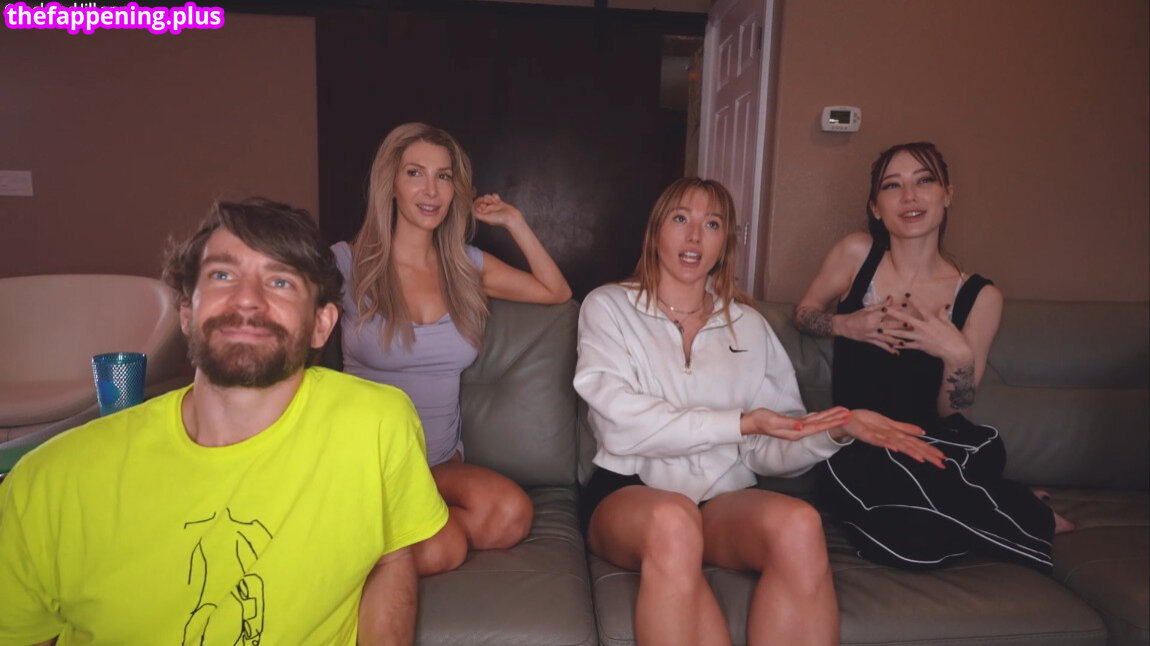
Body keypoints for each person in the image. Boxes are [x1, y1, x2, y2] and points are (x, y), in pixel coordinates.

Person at [0, 199, 448, 645]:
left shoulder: (377, 425)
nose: (247, 298)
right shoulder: (48, 484)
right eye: (222, 275)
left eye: (280, 281)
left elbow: (392, 558)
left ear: (321, 324)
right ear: (187, 312)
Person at [574, 177, 944, 646]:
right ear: (656, 231)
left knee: (799, 524)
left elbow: (767, 450)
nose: (695, 236)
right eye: (681, 219)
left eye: (712, 224)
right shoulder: (608, 306)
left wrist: (837, 429)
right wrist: (739, 422)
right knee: (673, 521)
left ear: (724, 243)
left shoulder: (748, 325)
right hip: (631, 494)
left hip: (721, 501)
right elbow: (620, 425)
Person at [794, 141, 1072, 572]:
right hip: (863, 445)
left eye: (924, 181)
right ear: (876, 207)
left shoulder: (979, 296)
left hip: (935, 444)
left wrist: (956, 354)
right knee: (913, 545)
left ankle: (979, 496)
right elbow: (804, 313)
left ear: (947, 194)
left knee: (931, 491)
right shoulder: (856, 255)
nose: (910, 196)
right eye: (892, 186)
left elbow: (952, 409)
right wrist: (845, 325)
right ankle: (1010, 506)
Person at [334, 122, 572, 576]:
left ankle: (369, 553)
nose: (431, 190)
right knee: (444, 548)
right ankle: (399, 545)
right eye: (415, 173)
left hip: (438, 465)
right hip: (368, 463)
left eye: (443, 176)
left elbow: (555, 292)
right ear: (390, 184)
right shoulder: (347, 264)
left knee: (511, 514)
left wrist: (515, 222)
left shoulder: (465, 265)